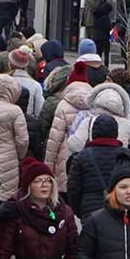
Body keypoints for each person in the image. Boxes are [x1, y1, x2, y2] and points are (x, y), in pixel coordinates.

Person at [43, 61, 93, 194]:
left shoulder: (64, 104)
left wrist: (48, 167)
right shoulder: (95, 104)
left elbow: (54, 139)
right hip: (87, 157)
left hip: (64, 157)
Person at [66, 115, 125, 220]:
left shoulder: (81, 156)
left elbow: (73, 188)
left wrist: (79, 210)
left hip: (90, 209)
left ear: (93, 132)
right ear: (116, 133)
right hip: (120, 206)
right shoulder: (126, 155)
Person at [0, 74, 29, 200]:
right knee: (5, 195)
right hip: (8, 159)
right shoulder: (15, 111)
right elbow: (23, 140)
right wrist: (20, 156)